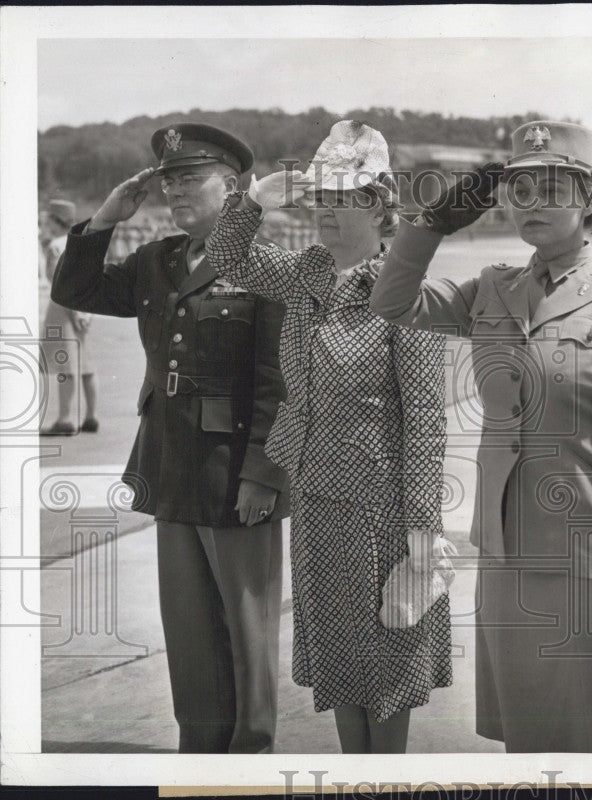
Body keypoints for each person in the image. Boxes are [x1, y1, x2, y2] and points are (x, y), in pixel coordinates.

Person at [371, 121, 592, 753]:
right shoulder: (492, 289)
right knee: (529, 735)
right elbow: (390, 304)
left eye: (553, 187)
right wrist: (429, 227)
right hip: (504, 552)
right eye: (520, 190)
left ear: (590, 198)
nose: (534, 203)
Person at [204, 120, 453, 755]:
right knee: (341, 660)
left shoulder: (403, 288)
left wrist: (422, 534)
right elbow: (227, 258)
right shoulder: (309, 275)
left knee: (388, 666)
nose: (328, 214)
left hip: (384, 514)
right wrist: (254, 200)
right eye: (323, 199)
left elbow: (425, 421)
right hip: (315, 503)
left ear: (379, 206)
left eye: (346, 200)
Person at [50, 123, 289, 753]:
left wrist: (263, 475)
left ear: (233, 187)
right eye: (169, 181)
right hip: (168, 465)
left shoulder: (268, 263)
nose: (176, 192)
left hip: (237, 471)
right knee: (188, 630)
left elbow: (279, 384)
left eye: (191, 179)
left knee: (246, 629)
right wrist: (102, 221)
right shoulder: (158, 260)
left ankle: (251, 753)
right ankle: (201, 749)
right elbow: (75, 289)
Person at [40, 199, 99, 434]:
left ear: (55, 221)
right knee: (86, 365)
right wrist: (86, 313)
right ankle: (91, 416)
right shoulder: (81, 244)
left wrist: (74, 313)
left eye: (47, 220)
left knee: (65, 366)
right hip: (86, 308)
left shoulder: (55, 246)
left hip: (63, 310)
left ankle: (65, 418)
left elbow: (59, 283)